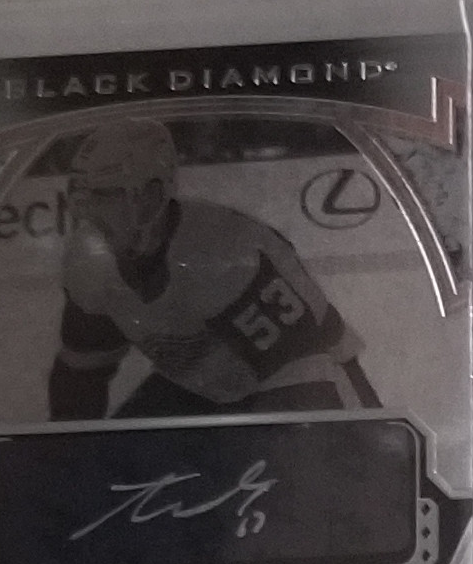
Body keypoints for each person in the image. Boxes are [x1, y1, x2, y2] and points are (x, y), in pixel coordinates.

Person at [47, 113, 378, 418]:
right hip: (202, 387)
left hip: (290, 380)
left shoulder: (227, 254)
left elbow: (308, 366)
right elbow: (83, 372)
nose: (90, 213)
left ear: (151, 195)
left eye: (106, 196)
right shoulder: (89, 262)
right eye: (83, 198)